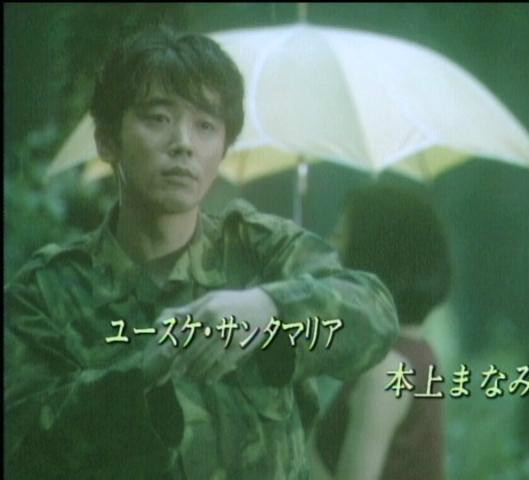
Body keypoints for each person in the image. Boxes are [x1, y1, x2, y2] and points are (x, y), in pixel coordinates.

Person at [4, 27, 399, 479]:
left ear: (223, 149)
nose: (184, 143)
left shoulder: (263, 252)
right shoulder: (47, 291)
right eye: (158, 118)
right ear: (107, 140)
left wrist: (270, 308)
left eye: (206, 126)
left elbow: (375, 314)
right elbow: (22, 442)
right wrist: (144, 371)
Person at [312, 184, 452, 480]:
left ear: (371, 253)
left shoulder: (385, 371)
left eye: (340, 235)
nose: (330, 246)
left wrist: (298, 436)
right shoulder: (419, 353)